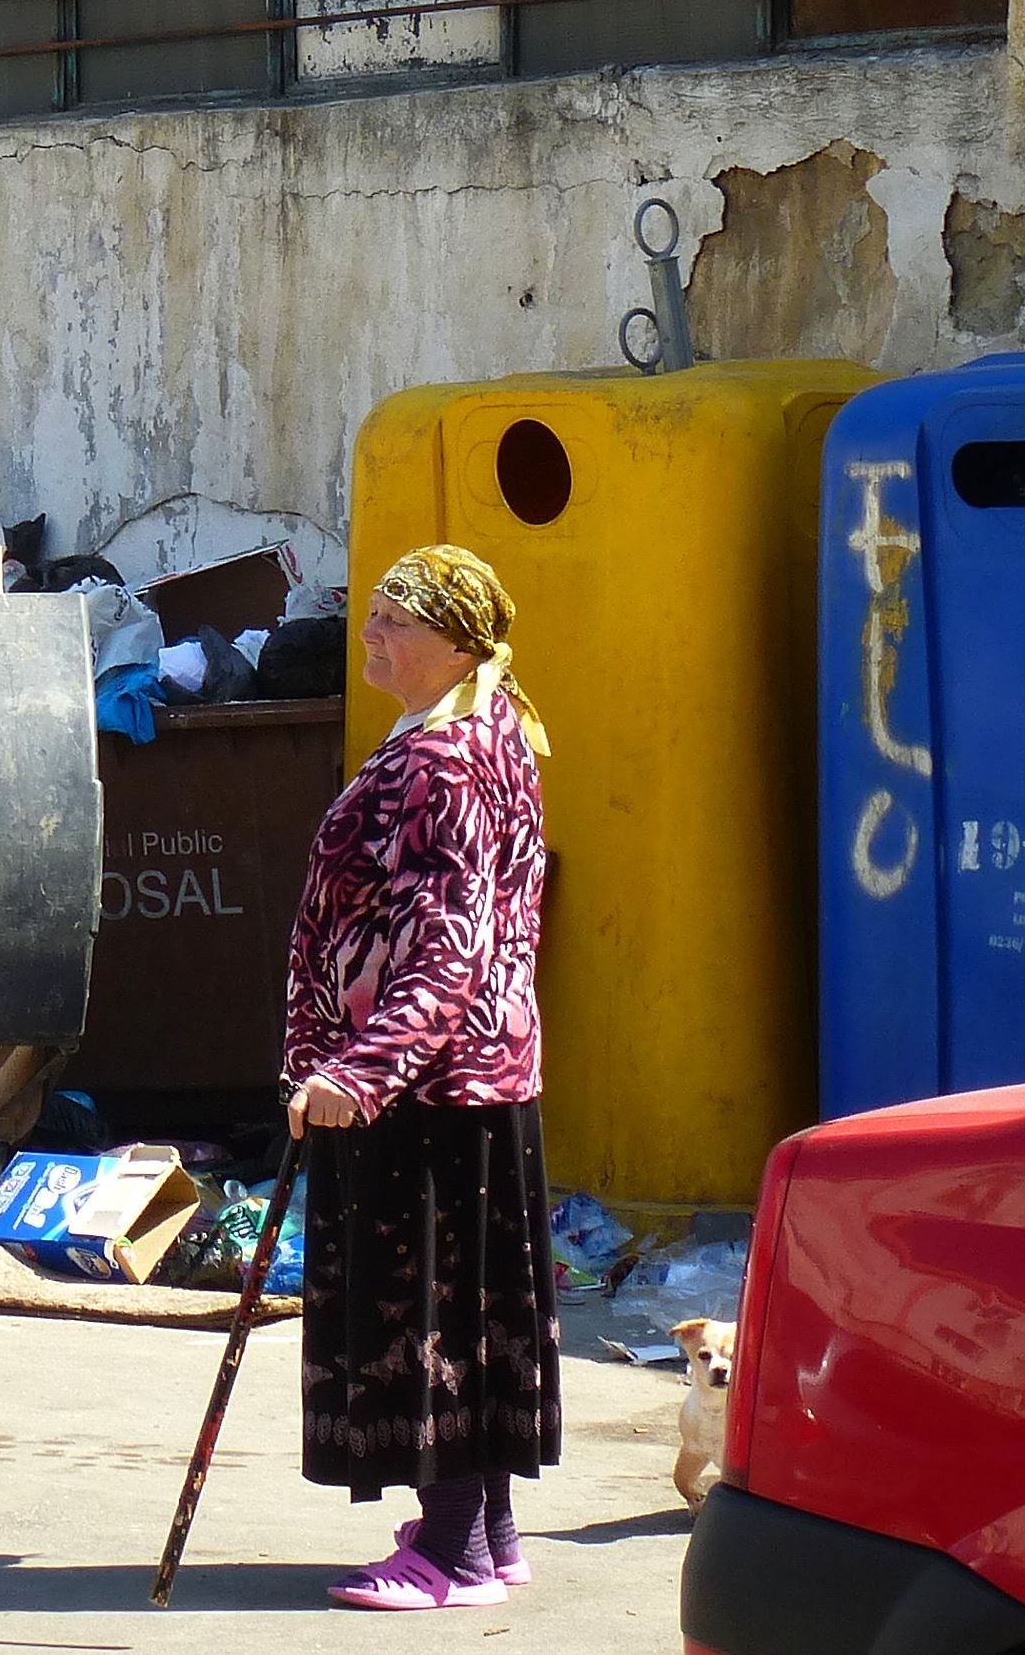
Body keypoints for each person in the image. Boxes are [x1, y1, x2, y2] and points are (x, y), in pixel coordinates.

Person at [281, 544, 563, 1612]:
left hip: (424, 1092)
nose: (371, 635)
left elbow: (449, 940)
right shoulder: (476, 736)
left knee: (431, 1314)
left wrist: (362, 1068)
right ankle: (482, 1535)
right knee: (473, 1306)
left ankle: (446, 1556)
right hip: (471, 1080)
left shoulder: (442, 761)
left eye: (393, 620)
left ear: (453, 642)